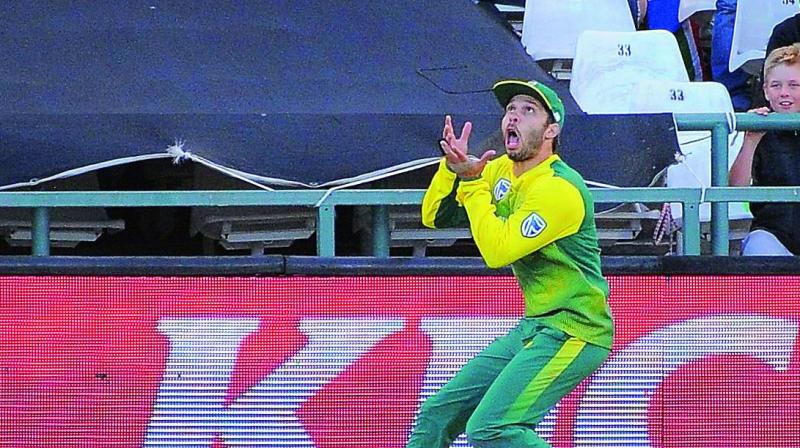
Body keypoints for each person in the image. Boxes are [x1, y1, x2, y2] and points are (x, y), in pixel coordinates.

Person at [407, 80, 614, 448]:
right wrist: (452, 168)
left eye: (528, 110)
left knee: (493, 428)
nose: (513, 116)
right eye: (510, 109)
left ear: (552, 130)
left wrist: (471, 185)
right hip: (535, 326)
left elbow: (498, 251)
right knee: (437, 414)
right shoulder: (500, 168)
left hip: (575, 329)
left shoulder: (559, 188)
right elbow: (435, 217)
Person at [729, 44, 800, 255]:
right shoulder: (759, 128)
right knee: (759, 248)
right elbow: (735, 190)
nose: (784, 93)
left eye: (794, 85)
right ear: (766, 91)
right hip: (773, 234)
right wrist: (750, 140)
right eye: (776, 85)